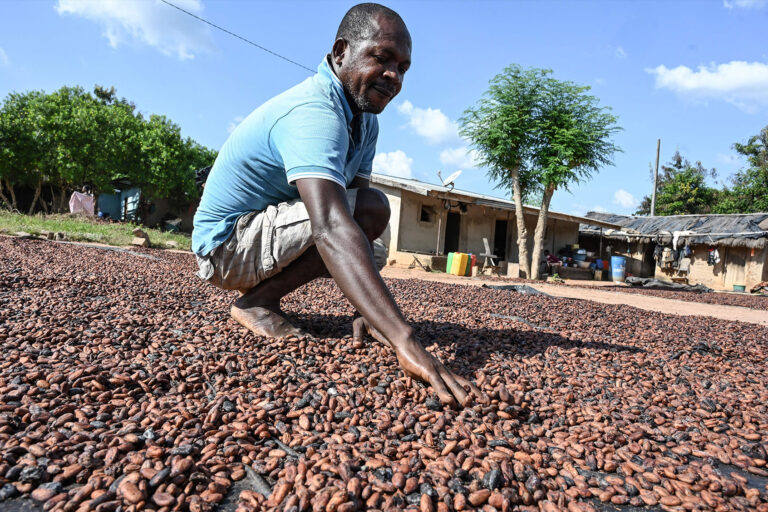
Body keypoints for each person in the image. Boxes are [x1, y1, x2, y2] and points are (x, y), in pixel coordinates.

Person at [192, 3, 484, 407]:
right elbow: (331, 224)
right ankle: (256, 302)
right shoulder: (315, 112)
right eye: (382, 58)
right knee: (359, 219)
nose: (394, 76)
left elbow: (360, 209)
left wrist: (370, 310)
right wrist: (405, 340)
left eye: (403, 67)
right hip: (226, 247)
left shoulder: (365, 120)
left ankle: (260, 298)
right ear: (341, 52)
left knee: (371, 218)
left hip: (266, 235)